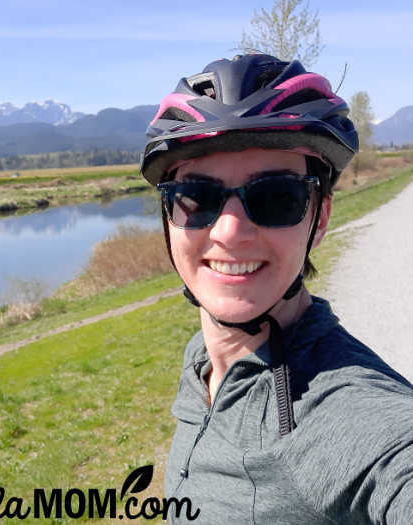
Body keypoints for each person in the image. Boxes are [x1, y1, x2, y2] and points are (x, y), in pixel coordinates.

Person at [139, 54, 412, 523]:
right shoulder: (201, 361)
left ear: (319, 217)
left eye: (276, 196)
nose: (229, 231)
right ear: (170, 215)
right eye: (196, 197)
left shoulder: (347, 410)